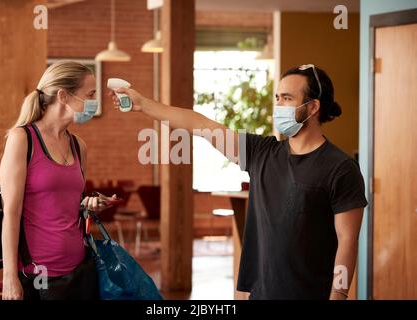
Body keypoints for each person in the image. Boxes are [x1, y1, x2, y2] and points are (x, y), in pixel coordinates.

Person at [109, 64, 368, 300]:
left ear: (312, 107)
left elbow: (347, 239)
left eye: (287, 99)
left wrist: (339, 295)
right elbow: (200, 125)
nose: (278, 106)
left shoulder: (341, 169)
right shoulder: (260, 153)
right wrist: (143, 105)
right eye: (277, 98)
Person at [1, 61, 116, 300]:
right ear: (63, 95)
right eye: (90, 94)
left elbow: (69, 203)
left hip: (80, 271)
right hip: (39, 276)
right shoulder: (22, 139)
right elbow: (11, 213)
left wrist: (90, 203)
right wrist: (9, 277)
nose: (94, 102)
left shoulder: (78, 145)